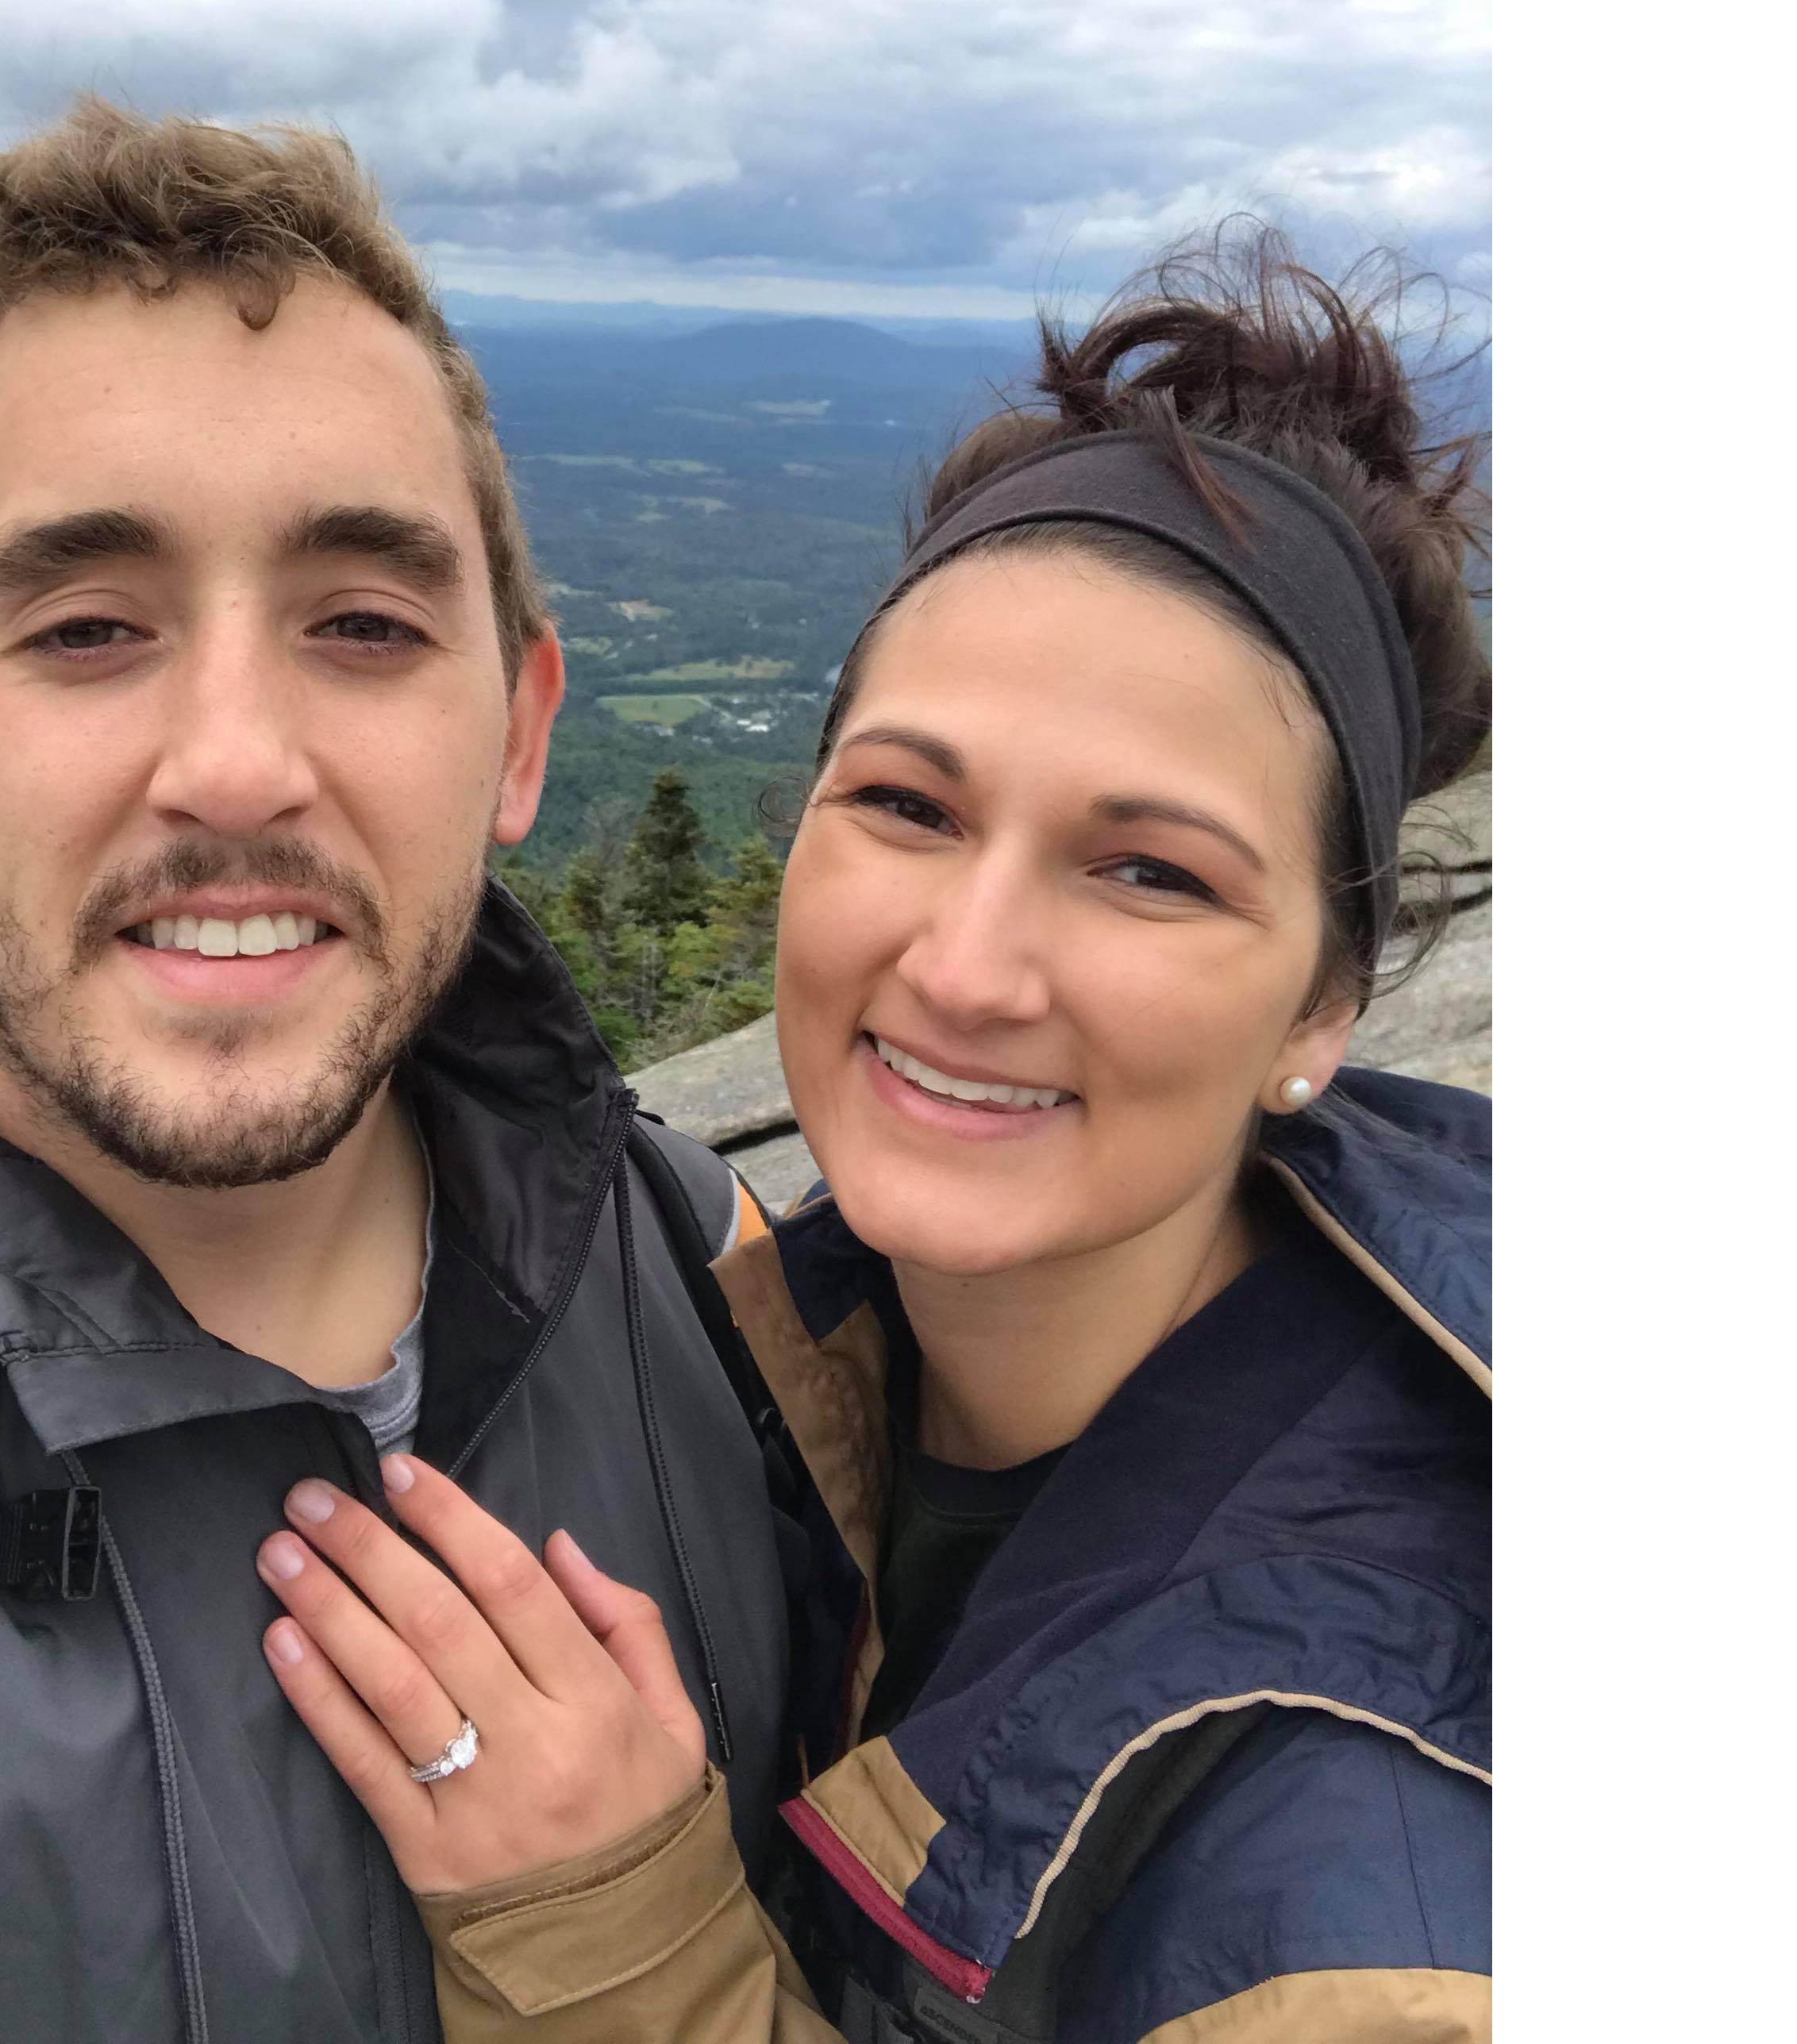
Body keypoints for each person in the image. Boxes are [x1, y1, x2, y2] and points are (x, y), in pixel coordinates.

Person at [256, 229, 1493, 2043]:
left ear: (1320, 1006)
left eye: (1147, 870)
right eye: (907, 804)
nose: (967, 963)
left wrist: (629, 1953)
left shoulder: (1362, 1899)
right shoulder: (802, 1335)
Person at [0, 99, 792, 2042]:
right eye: (88, 628)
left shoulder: (706, 1273)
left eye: (361, 622)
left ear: (516, 735)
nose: (237, 760)